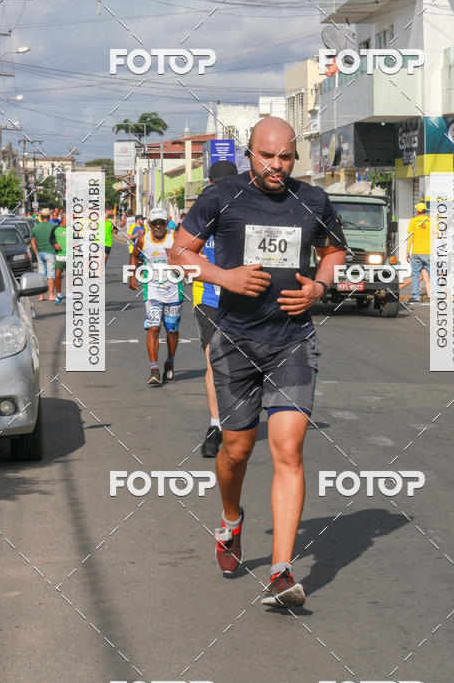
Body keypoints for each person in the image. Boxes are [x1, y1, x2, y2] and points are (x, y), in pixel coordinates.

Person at [171, 117, 346, 608]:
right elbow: (179, 254)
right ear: (251, 153)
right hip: (236, 341)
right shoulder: (220, 197)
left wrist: (318, 287)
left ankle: (281, 571)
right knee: (236, 451)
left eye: (285, 157)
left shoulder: (312, 200)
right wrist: (221, 277)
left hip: (292, 340)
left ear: (296, 157)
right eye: (267, 156)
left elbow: (332, 252)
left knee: (288, 449)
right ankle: (231, 520)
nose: (276, 165)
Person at [193, 161, 237, 459]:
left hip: (243, 300)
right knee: (214, 363)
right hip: (208, 301)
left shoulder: (247, 213)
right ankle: (215, 424)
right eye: (216, 185)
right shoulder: (200, 214)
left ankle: (238, 415)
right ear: (210, 185)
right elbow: (182, 253)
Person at [129, 207, 184, 386]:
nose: (158, 226)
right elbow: (134, 255)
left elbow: (188, 256)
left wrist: (176, 259)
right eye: (155, 224)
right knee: (153, 327)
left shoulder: (174, 238)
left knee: (172, 329)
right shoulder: (143, 239)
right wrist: (132, 275)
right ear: (149, 225)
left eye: (161, 223)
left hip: (174, 289)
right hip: (151, 289)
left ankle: (170, 361)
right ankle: (154, 368)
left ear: (166, 223)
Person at [406, 201, 430, 304]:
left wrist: (407, 251)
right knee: (432, 275)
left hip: (416, 252)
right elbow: (438, 236)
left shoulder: (413, 221)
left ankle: (416, 297)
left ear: (418, 211)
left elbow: (410, 238)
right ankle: (434, 296)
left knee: (415, 274)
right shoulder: (431, 221)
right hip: (429, 252)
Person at [31, 208, 57, 301]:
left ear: (41, 217)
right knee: (51, 274)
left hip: (40, 253)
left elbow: (33, 242)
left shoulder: (36, 228)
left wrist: (36, 252)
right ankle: (51, 295)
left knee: (42, 274)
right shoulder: (53, 227)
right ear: (49, 216)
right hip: (50, 252)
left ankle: (41, 296)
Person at [53, 214, 68, 305]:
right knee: (57, 275)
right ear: (62, 219)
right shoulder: (55, 229)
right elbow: (50, 239)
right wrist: (54, 245)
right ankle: (59, 295)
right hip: (59, 256)